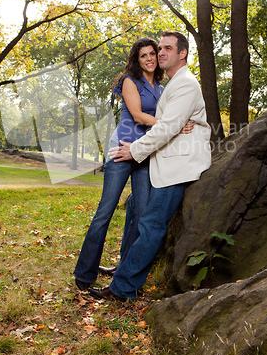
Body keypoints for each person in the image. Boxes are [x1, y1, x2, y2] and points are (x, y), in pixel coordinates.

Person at [88, 30, 212, 301]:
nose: (161, 52)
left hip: (178, 166)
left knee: (152, 223)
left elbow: (167, 128)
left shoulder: (185, 84)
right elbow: (160, 122)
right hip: (165, 162)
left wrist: (134, 150)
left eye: (168, 48)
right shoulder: (171, 84)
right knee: (134, 205)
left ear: (183, 54)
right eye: (160, 48)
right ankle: (124, 266)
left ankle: (123, 288)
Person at [73, 37, 165, 291]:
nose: (148, 58)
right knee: (106, 210)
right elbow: (137, 115)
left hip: (143, 154)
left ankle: (124, 267)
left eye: (152, 54)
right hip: (121, 151)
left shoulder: (160, 86)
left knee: (140, 212)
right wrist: (172, 126)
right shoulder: (129, 81)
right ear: (137, 59)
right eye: (143, 55)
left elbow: (167, 115)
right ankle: (84, 273)